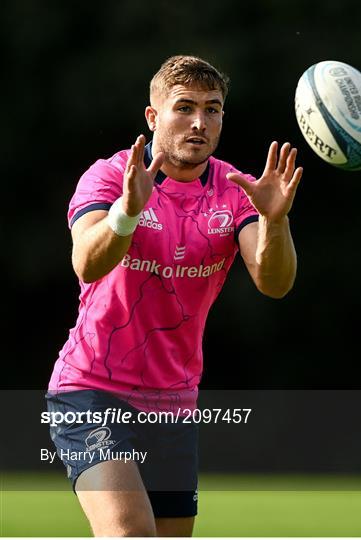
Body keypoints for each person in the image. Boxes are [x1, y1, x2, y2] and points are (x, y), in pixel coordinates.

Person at [46, 55, 303, 537]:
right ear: (153, 116)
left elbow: (275, 282)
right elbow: (87, 261)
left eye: (213, 109)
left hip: (173, 402)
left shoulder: (235, 191)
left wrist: (275, 220)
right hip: (91, 389)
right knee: (130, 532)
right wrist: (127, 211)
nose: (200, 122)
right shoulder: (111, 177)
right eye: (184, 107)